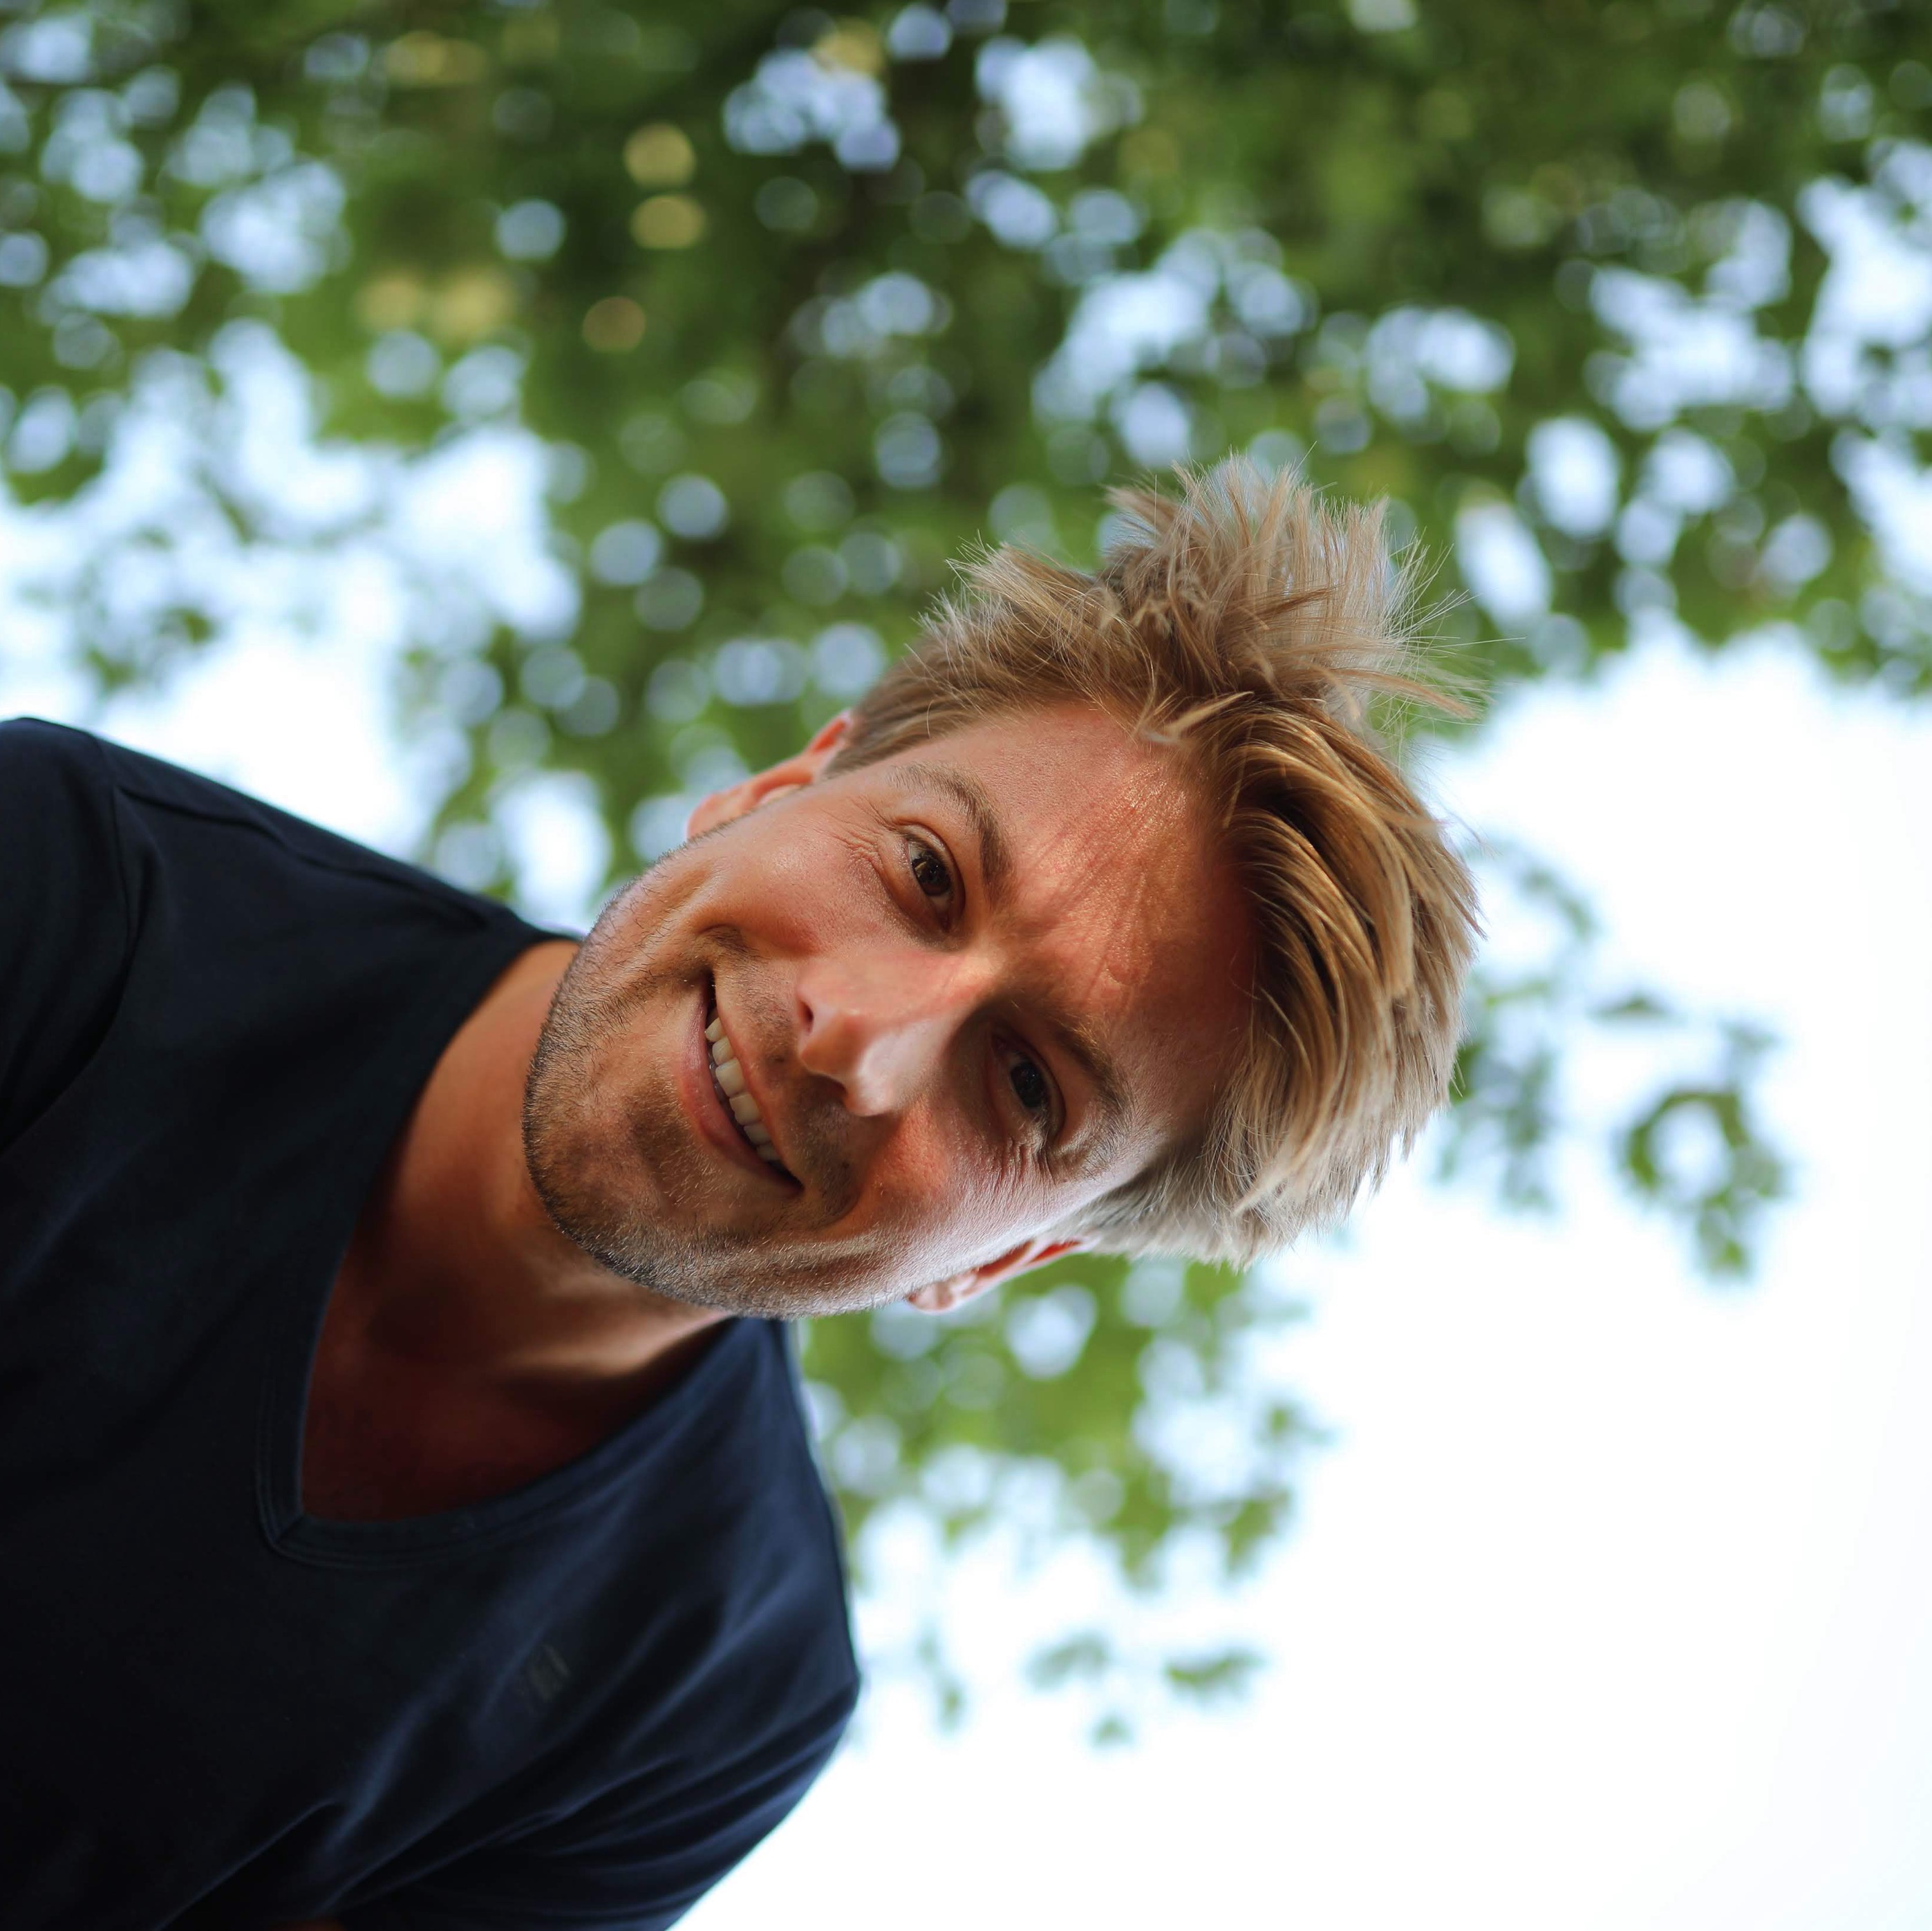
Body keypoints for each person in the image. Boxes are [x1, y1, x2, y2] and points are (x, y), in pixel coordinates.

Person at [0, 459, 1477, 1928]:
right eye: (925, 874)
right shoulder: (66, 890)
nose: (860, 1042)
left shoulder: (717, 1696)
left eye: (1029, 1086)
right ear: (773, 790)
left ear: (1000, 1260)